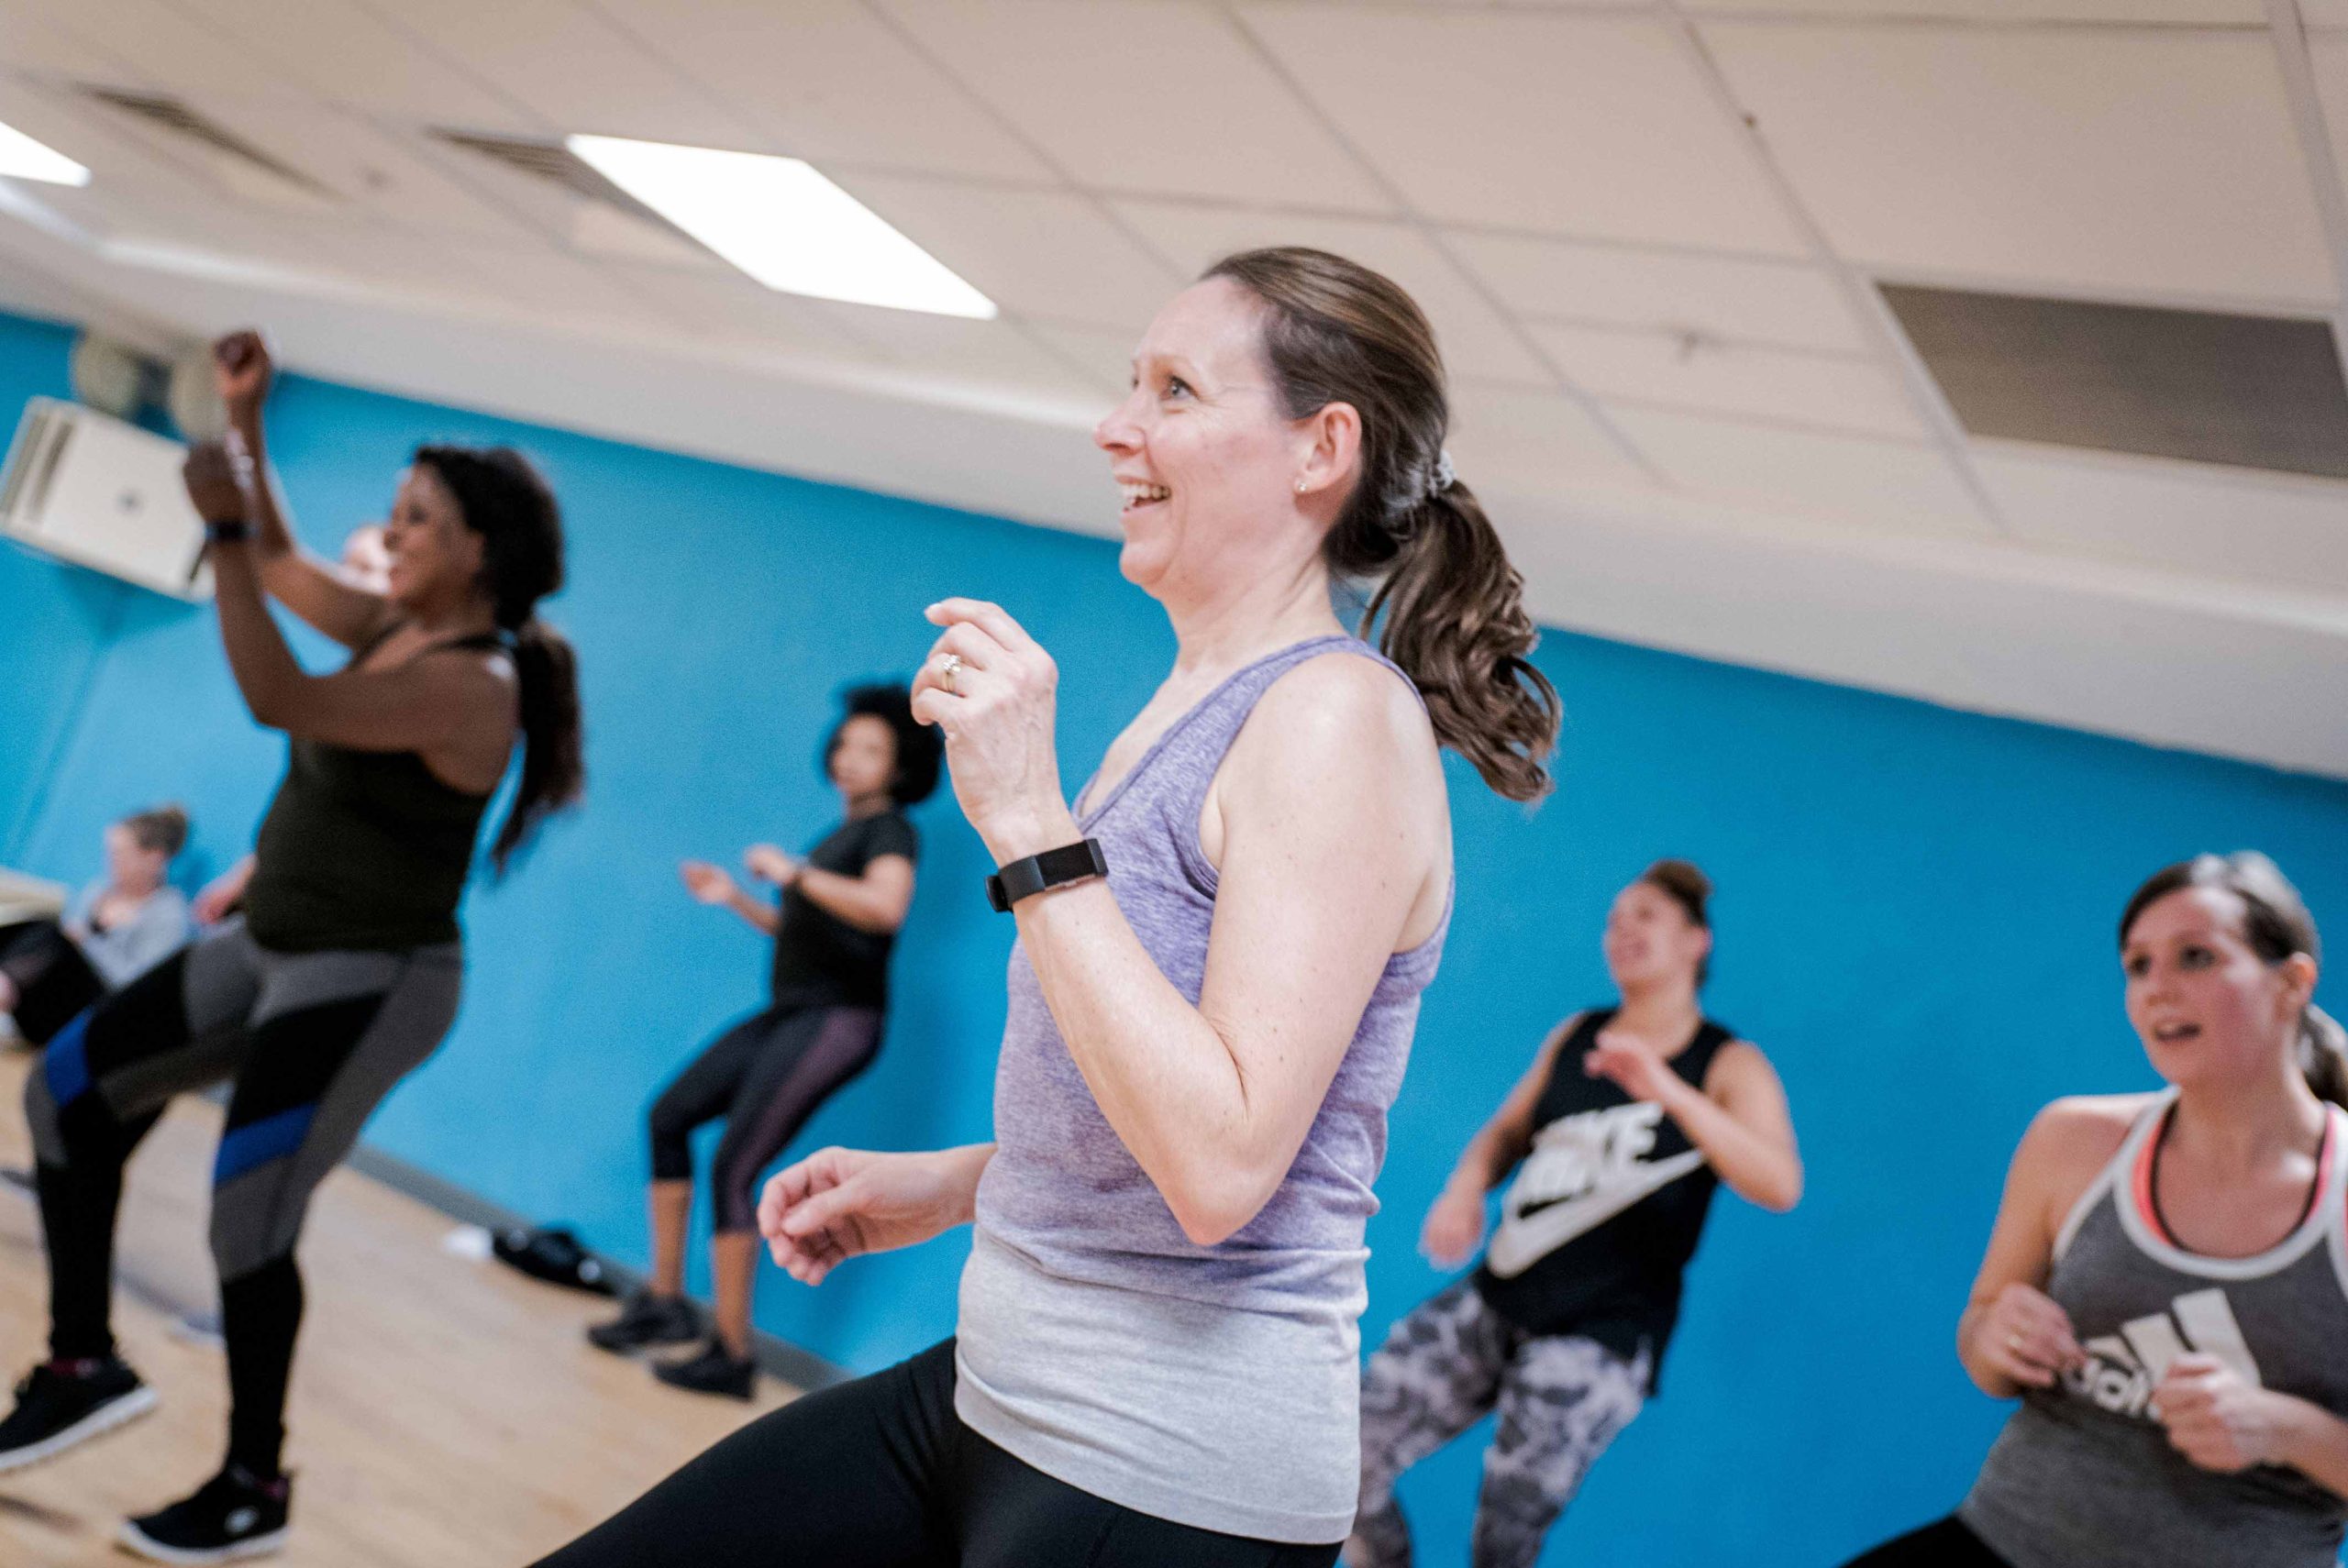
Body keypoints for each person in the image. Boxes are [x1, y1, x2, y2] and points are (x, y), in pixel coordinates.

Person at [527, 246, 1560, 1567]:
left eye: (1175, 389)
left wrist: (1027, 818)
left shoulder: (1336, 720)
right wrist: (969, 1180)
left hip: (1165, 1474)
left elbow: (1224, 1166)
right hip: (994, 1393)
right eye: (1128, 384)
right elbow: (1150, 1098)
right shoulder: (1183, 709)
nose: (1115, 427)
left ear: (1321, 448)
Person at [0, 329, 584, 1564]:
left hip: (373, 978)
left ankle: (254, 1484)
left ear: (482, 550)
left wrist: (215, 529)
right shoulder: (394, 624)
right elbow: (274, 554)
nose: (394, 532)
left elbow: (280, 691)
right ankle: (82, 1357)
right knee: (63, 1094)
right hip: (271, 942)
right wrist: (244, 420)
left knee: (247, 1219)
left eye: (417, 519)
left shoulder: (475, 685)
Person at [1842, 852, 2348, 1568]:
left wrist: (2281, 1429)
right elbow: (1982, 1336)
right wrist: (1997, 1336)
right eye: (2138, 966)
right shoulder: (2072, 1140)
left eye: (2196, 957)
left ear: (2292, 982)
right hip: (2001, 1543)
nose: (2157, 989)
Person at [1346, 859, 1802, 1567]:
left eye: (1645, 915)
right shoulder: (1580, 1033)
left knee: (1505, 1532)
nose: (1622, 930)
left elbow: (1779, 1183)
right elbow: (1507, 1132)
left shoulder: (1727, 1064)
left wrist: (1668, 1091)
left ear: (1695, 941)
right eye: (1613, 919)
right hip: (1498, 1295)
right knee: (1344, 1457)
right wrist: (1466, 1185)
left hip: (1602, 1333)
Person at [586, 683, 940, 1398]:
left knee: (736, 1167)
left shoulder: (891, 832)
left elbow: (884, 910)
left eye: (870, 749)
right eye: (845, 744)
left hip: (840, 1019)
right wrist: (738, 899)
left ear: (900, 766)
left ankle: (733, 1353)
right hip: (794, 1009)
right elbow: (809, 934)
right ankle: (663, 1302)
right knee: (670, 1117)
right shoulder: (834, 837)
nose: (849, 758)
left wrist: (796, 873)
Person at [189, 524, 393, 930]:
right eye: (343, 566)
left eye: (365, 569)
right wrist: (245, 875)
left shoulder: (399, 693)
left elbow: (272, 701)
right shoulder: (354, 678)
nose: (346, 582)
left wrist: (231, 542)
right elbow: (313, 803)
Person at [0, 806, 194, 1045]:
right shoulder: (99, 891)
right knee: (33, 929)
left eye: (120, 854)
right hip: (52, 1001)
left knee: (51, 937)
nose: (111, 862)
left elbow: (139, 987)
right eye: (110, 853)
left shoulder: (169, 913)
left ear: (153, 859)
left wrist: (94, 937)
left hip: (103, 1014)